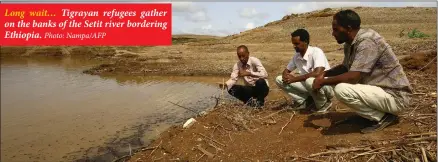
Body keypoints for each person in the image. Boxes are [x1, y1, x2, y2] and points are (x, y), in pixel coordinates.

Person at [311, 9, 413, 133]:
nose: (333, 33)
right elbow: (345, 67)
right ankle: (374, 113)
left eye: (336, 29)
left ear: (348, 28)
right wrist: (325, 74)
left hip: (396, 97)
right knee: (343, 86)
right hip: (381, 93)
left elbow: (352, 77)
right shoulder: (350, 43)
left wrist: (322, 82)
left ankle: (382, 117)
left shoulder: (367, 42)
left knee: (342, 89)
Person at [275, 28, 334, 114]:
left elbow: (317, 73)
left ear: (305, 41)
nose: (294, 46)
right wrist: (285, 76)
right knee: (279, 79)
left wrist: (294, 79)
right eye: (293, 44)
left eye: (297, 44)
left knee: (310, 80)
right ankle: (304, 101)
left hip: (325, 86)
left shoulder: (316, 52)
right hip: (309, 85)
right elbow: (286, 70)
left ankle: (323, 104)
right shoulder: (297, 56)